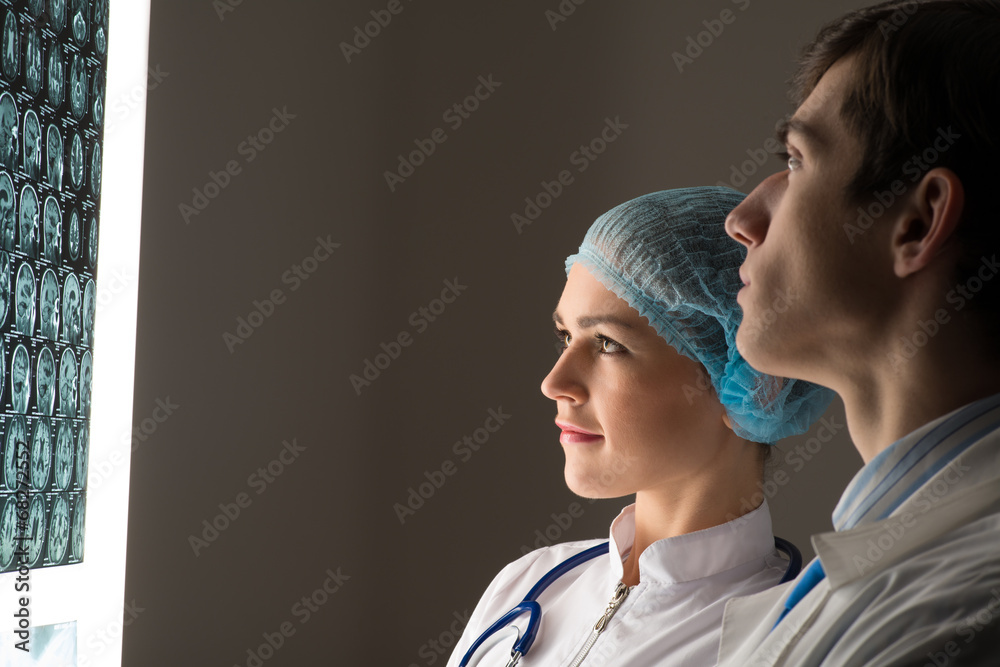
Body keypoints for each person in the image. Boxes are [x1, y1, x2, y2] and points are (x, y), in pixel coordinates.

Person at [717, 1, 1000, 664]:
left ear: (916, 223)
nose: (742, 217)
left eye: (795, 160)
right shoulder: (895, 561)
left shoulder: (955, 617)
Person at [447, 187, 833, 667]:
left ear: (752, 381)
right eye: (566, 336)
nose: (554, 382)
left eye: (607, 343)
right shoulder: (528, 584)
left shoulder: (794, 640)